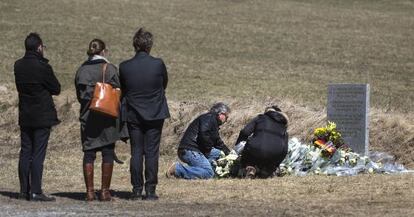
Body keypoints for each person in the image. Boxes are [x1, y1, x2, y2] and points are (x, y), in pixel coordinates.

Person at [120, 28, 170, 200]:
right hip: (155, 113)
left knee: (136, 152)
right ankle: (150, 190)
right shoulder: (158, 64)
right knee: (151, 152)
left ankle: (136, 189)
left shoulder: (124, 67)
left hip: (133, 113)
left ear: (134, 45)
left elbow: (124, 89)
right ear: (150, 45)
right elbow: (164, 83)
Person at [14, 33, 60, 201]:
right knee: (38, 153)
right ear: (39, 47)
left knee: (25, 151)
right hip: (42, 115)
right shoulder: (43, 67)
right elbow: (56, 88)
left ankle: (23, 191)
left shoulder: (18, 65)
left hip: (25, 114)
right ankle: (36, 191)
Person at [75, 39, 121, 201]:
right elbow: (118, 92)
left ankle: (89, 192)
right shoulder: (110, 69)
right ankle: (104, 192)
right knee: (108, 153)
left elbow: (79, 96)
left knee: (89, 153)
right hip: (107, 117)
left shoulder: (81, 70)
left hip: (88, 116)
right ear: (103, 52)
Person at [166, 102, 231, 179]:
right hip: (190, 150)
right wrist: (207, 149)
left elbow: (218, 142)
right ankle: (177, 169)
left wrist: (229, 153)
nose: (226, 120)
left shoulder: (212, 121)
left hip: (196, 149)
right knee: (209, 173)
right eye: (226, 117)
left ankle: (199, 169)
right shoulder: (210, 118)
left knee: (220, 154)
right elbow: (204, 133)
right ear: (221, 114)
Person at [235, 105, 289, 178]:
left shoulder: (260, 118)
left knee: (251, 145)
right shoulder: (283, 125)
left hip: (256, 150)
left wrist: (238, 144)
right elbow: (285, 149)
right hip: (275, 155)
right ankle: (266, 171)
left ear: (267, 112)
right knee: (269, 156)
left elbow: (245, 132)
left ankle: (250, 167)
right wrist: (276, 164)